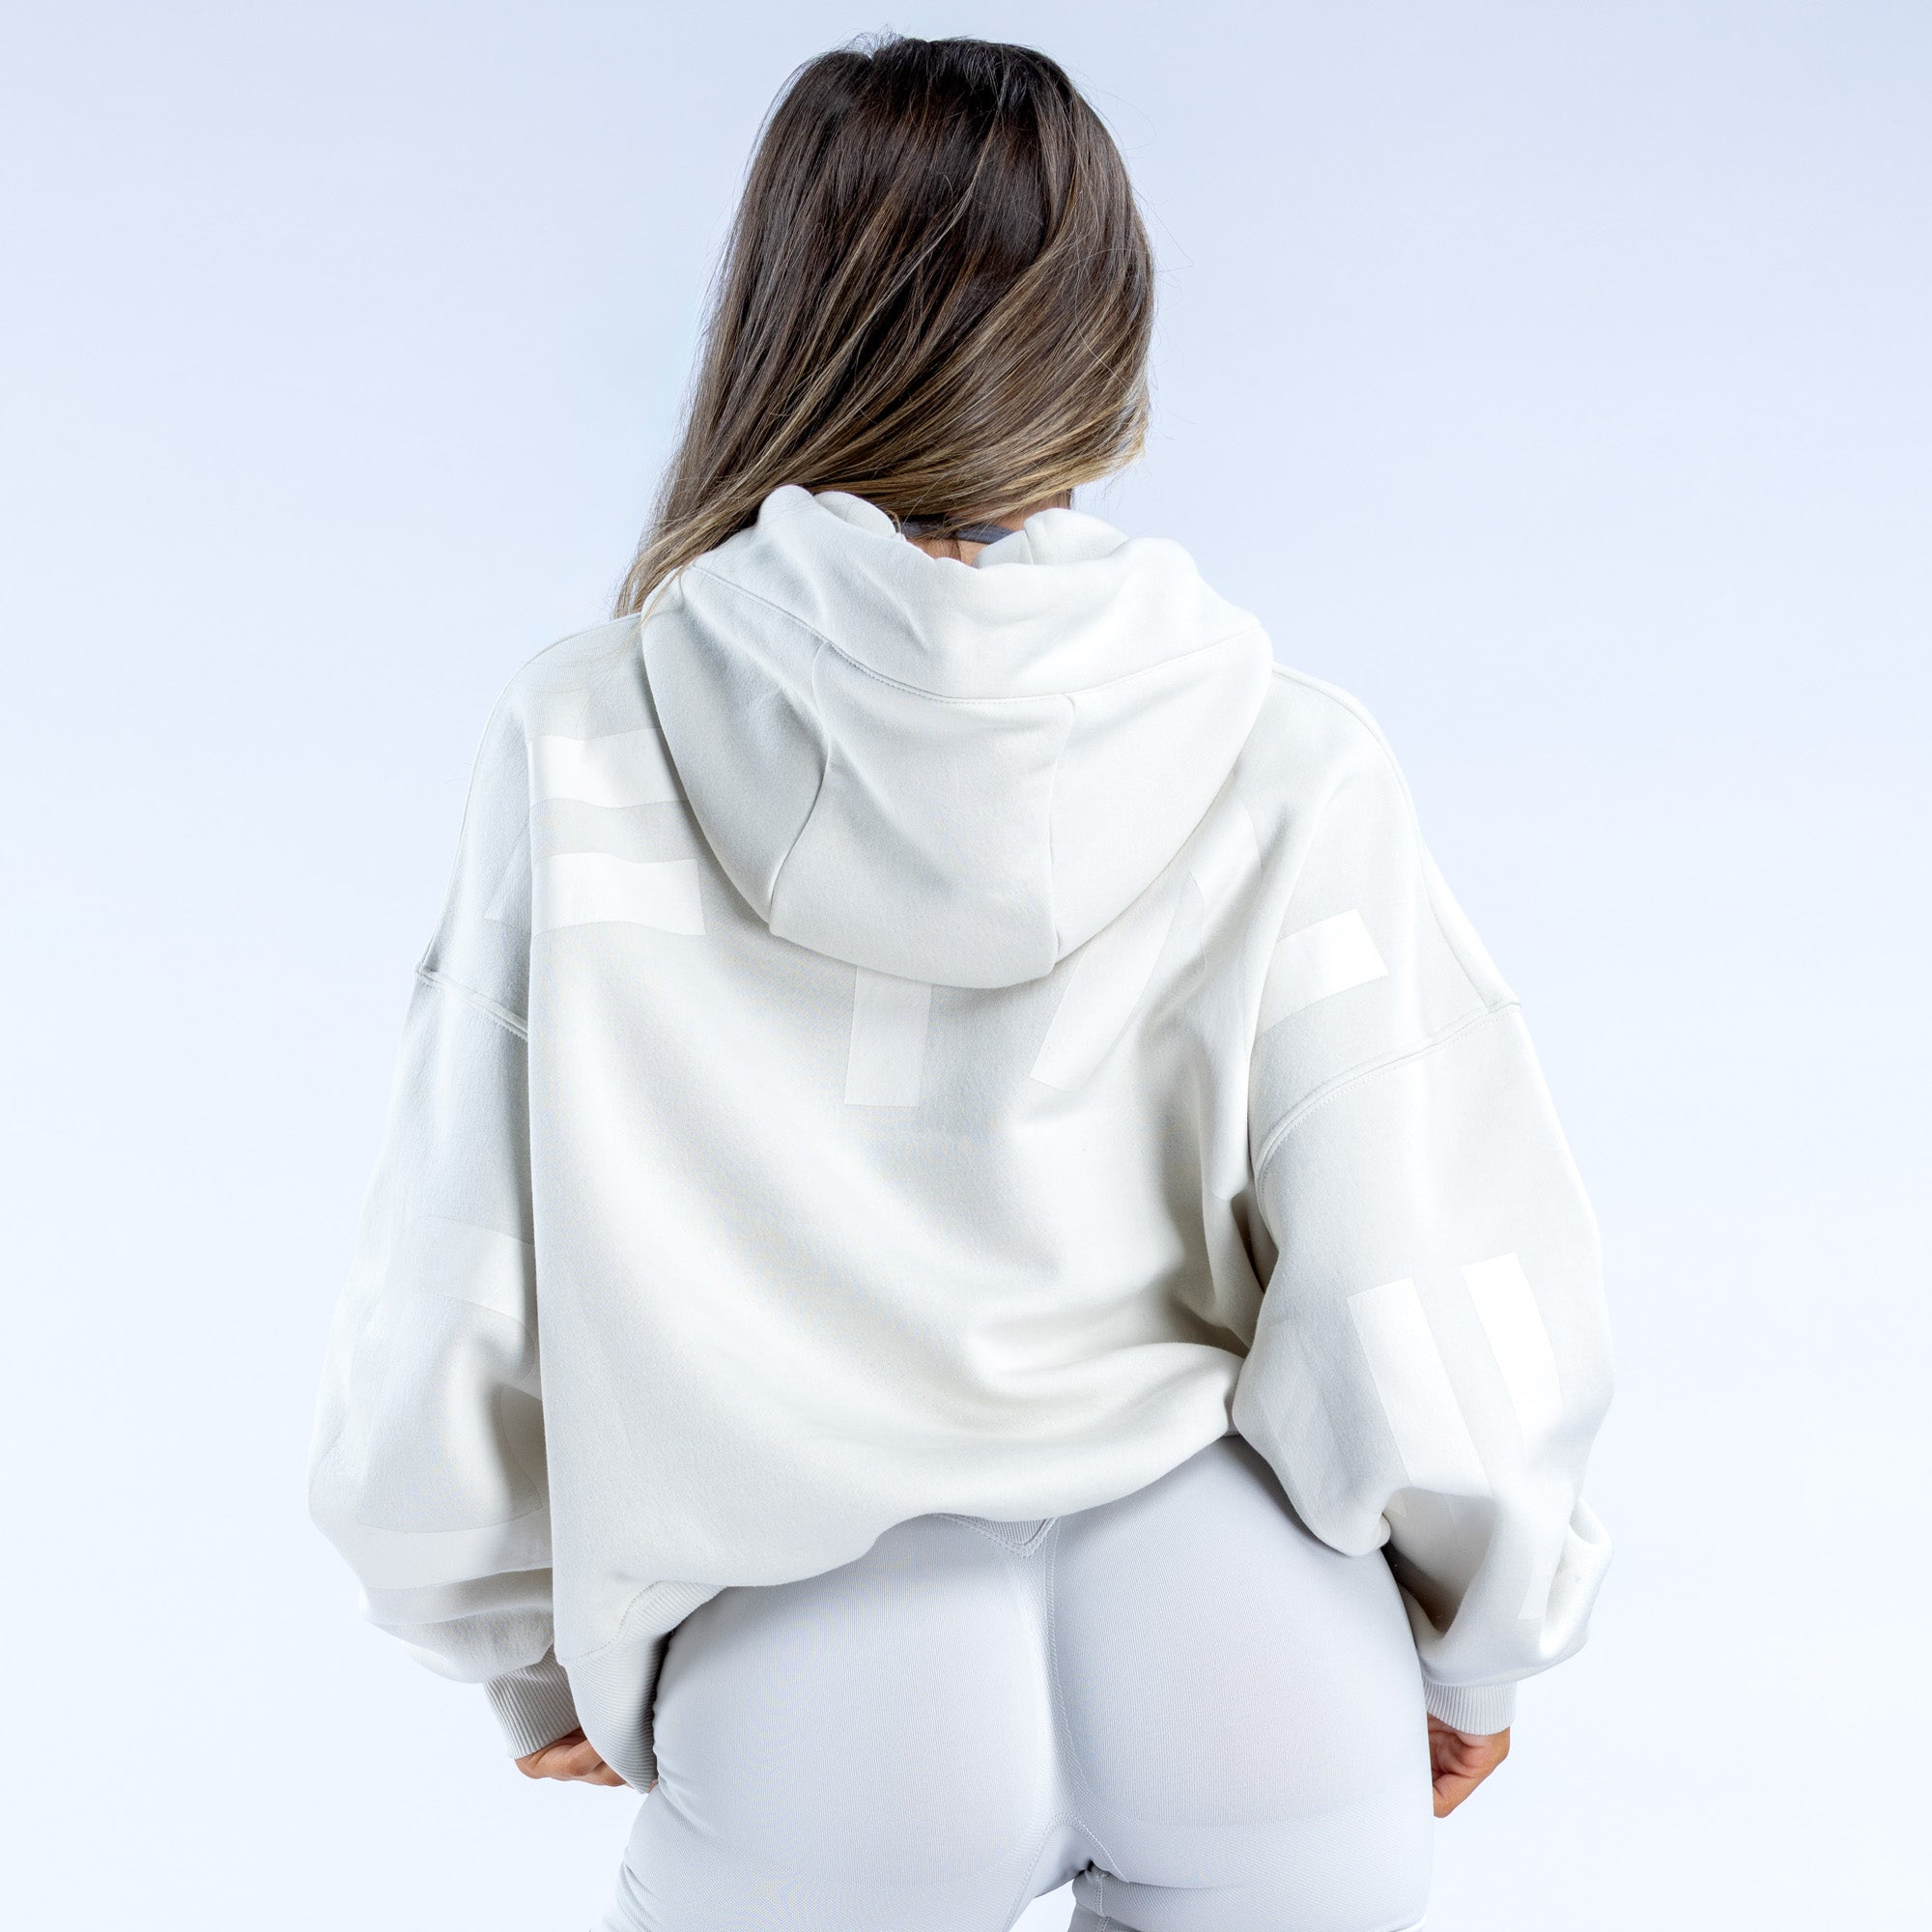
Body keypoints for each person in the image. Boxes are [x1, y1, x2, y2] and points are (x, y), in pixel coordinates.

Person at [307, 32, 1614, 1932]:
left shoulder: (585, 740)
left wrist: (517, 1636)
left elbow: (455, 1274)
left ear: (778, 320)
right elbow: (1415, 1257)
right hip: (1251, 1632)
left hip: (816, 1671)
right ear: (1109, 335)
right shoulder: (1283, 749)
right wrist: (1483, 1634)